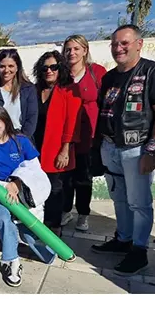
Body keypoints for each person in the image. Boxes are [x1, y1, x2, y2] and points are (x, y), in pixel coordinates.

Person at [91, 24, 155, 276]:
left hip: (137, 150)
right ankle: (123, 239)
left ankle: (139, 251)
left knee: (139, 203)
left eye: (124, 43)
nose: (118, 48)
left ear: (139, 44)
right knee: (119, 198)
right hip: (110, 147)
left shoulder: (153, 72)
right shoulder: (110, 77)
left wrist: (153, 150)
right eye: (115, 44)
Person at [0, 104, 57, 287]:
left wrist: (17, 183)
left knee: (27, 227)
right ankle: (12, 262)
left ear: (5, 120)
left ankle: (47, 252)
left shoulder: (21, 140)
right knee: (4, 219)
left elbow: (34, 167)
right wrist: (7, 186)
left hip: (22, 189)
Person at [61, 35, 107, 232]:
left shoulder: (97, 72)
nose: (72, 53)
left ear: (85, 50)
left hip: (89, 135)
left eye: (76, 49)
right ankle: (65, 210)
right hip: (67, 135)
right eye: (68, 49)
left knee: (84, 177)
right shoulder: (62, 75)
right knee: (66, 177)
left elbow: (107, 102)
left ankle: (83, 214)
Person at [32, 51, 81, 236]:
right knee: (37, 186)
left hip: (57, 147)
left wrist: (65, 148)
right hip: (36, 145)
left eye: (54, 67)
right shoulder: (35, 89)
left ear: (61, 68)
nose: (49, 71)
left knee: (55, 189)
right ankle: (38, 225)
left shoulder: (69, 89)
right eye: (45, 68)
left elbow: (72, 121)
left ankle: (54, 228)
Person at [0, 48, 37, 137]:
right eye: (2, 66)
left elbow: (31, 119)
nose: (6, 70)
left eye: (11, 66)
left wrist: (21, 140)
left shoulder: (28, 89)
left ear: (17, 67)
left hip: (22, 140)